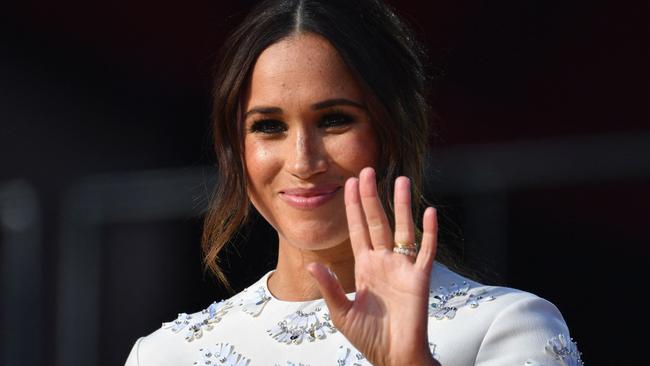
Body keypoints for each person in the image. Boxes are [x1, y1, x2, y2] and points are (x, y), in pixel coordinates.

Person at [125, 0, 582, 365]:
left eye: (334, 120)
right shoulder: (165, 355)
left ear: (392, 133)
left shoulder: (505, 328)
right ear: (235, 150)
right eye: (269, 126)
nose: (303, 160)